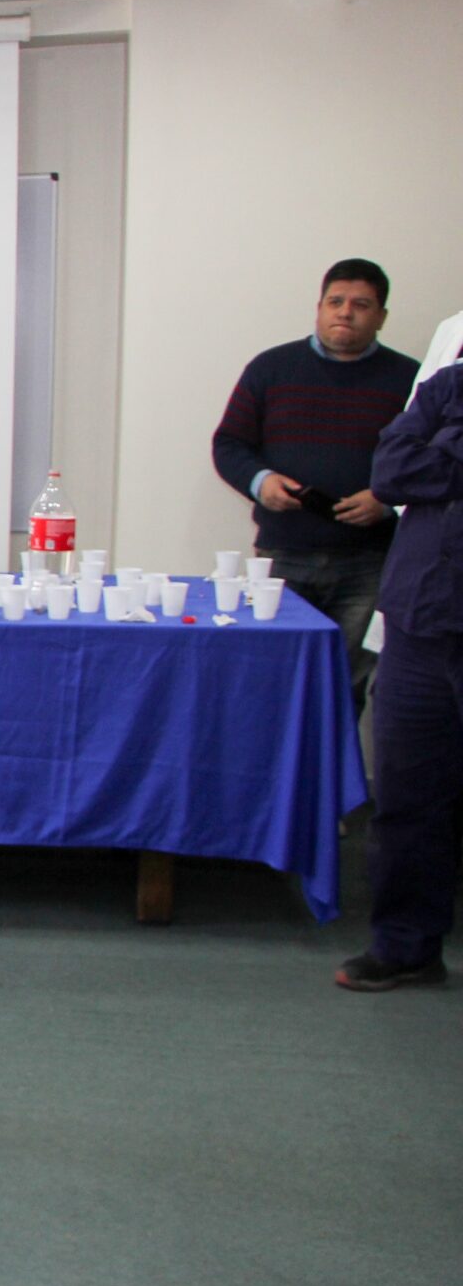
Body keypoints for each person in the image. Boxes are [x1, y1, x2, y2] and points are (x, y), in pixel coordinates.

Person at [211, 259, 418, 718]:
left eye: (361, 304)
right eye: (335, 302)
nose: (345, 312)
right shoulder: (271, 368)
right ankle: (277, 767)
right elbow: (229, 444)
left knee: (346, 686)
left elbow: (427, 464)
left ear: (381, 316)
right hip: (283, 556)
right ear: (319, 307)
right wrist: (261, 482)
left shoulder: (410, 380)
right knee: (273, 679)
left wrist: (387, 499)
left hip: (370, 563)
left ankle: (335, 769)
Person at [339, 353, 463, 991]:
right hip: (420, 619)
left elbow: (414, 467)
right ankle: (406, 946)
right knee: (407, 798)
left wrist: (438, 458)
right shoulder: (450, 382)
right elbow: (390, 470)